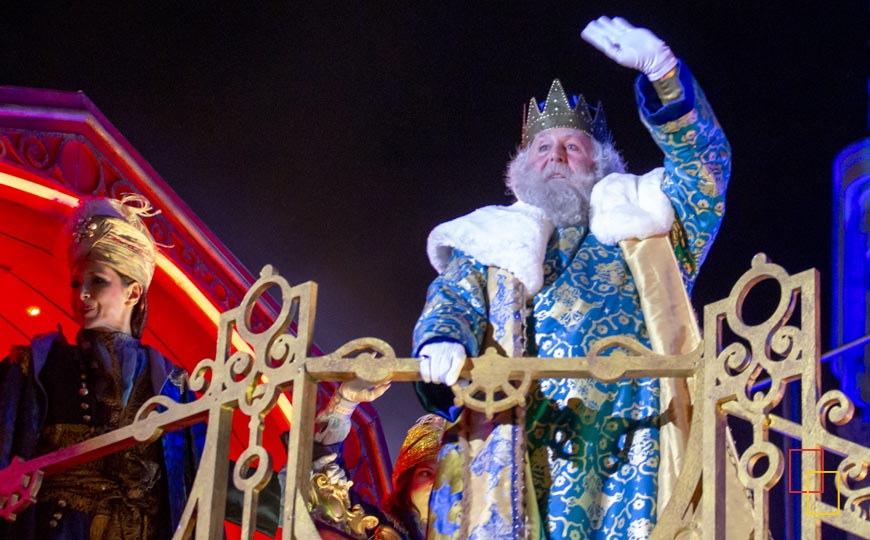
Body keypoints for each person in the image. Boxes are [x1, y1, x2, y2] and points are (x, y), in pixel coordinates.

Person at [413, 16, 730, 539]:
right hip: (527, 432)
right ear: (522, 168)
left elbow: (705, 171)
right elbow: (455, 297)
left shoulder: (652, 221)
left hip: (639, 436)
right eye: (543, 148)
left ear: (598, 163)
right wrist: (443, 337)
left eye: (572, 147)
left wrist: (665, 76)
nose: (556, 156)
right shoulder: (491, 237)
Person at [0, 195, 204, 539]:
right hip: (63, 528)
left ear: (133, 292)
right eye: (76, 283)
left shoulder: (173, 383)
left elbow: (202, 479)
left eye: (97, 281)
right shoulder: (37, 362)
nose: (81, 295)